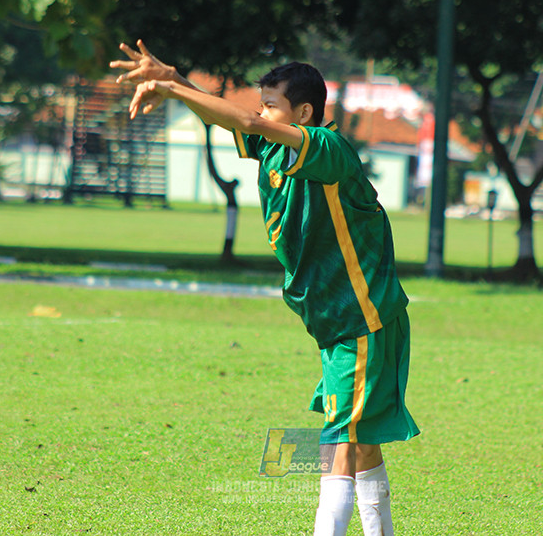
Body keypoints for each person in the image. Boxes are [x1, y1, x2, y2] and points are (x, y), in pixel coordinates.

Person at [111, 40, 419, 536]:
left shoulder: (328, 148)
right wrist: (180, 80)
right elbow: (236, 120)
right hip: (337, 318)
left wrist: (169, 89)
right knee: (361, 441)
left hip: (364, 316)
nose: (261, 114)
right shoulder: (278, 145)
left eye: (272, 105)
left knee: (338, 440)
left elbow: (249, 124)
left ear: (304, 112)